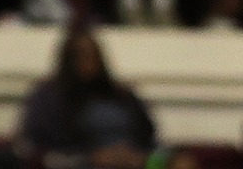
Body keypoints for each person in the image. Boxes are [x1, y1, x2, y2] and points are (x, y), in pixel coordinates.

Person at [16, 26, 157, 169]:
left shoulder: (123, 95)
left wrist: (141, 157)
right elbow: (35, 149)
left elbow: (150, 139)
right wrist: (88, 159)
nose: (88, 61)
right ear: (69, 58)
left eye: (93, 54)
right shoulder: (48, 98)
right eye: (81, 54)